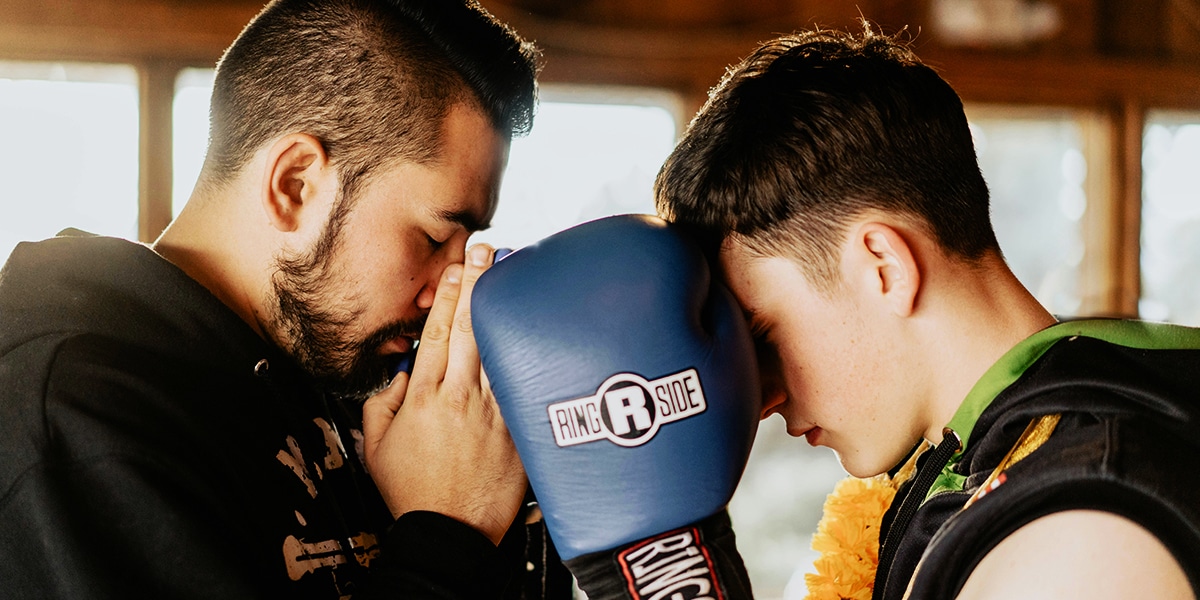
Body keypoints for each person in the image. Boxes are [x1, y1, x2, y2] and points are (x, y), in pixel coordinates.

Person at [0, 0, 573, 598]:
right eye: (432, 237)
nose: (450, 288)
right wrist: (451, 534)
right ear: (295, 185)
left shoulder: (329, 361)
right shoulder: (74, 419)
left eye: (467, 245)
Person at [650, 28, 1200, 599]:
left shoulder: (1083, 540)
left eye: (763, 333)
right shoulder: (970, 462)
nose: (763, 400)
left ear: (884, 267)